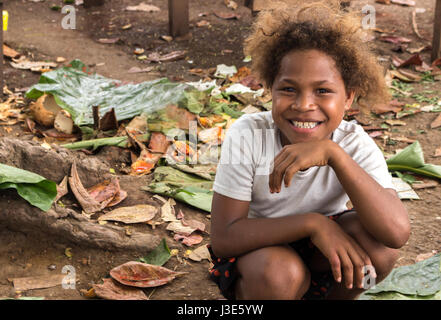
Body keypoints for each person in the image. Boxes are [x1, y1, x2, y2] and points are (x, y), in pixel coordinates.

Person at [208, 0, 410, 300]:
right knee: (281, 274)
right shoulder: (248, 135)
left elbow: (396, 233)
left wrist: (333, 155)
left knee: (378, 252)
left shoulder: (353, 144)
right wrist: (312, 224)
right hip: (259, 255)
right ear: (269, 90)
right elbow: (224, 238)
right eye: (288, 89)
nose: (304, 105)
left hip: (323, 254)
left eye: (323, 91)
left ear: (348, 98)